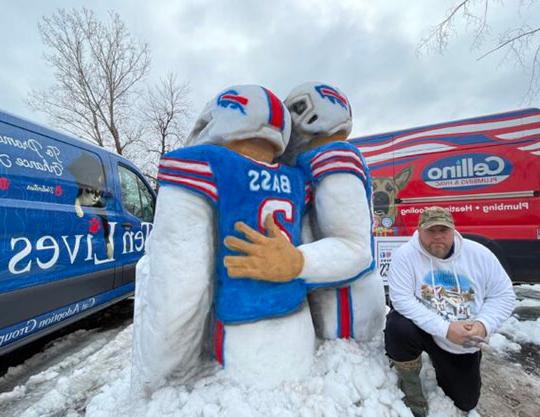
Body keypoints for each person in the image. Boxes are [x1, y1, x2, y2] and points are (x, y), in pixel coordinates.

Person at [131, 84, 316, 397]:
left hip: (241, 338)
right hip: (299, 327)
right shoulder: (298, 180)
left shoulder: (206, 165)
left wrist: (163, 375)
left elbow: (181, 287)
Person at [224, 81, 386, 342]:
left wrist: (296, 262)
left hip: (345, 309)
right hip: (329, 302)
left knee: (347, 370)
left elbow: (354, 248)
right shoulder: (302, 168)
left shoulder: (332, 157)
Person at [384, 206, 516, 416]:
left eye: (443, 231)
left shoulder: (479, 254)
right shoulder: (405, 256)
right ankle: (410, 385)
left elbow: (504, 295)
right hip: (426, 328)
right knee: (397, 327)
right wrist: (445, 329)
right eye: (430, 231)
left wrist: (483, 325)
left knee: (466, 401)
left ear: (453, 231)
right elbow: (401, 299)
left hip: (462, 339)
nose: (437, 237)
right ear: (419, 231)